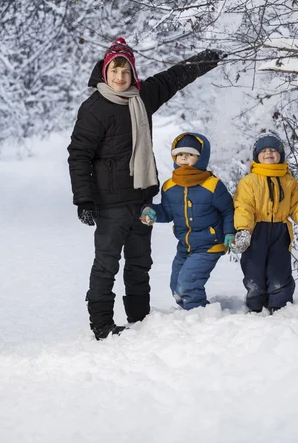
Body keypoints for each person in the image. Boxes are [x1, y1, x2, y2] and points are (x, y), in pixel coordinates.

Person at [67, 38, 226, 339]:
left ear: (133, 73)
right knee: (106, 265)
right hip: (110, 204)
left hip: (142, 202)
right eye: (115, 70)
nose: (120, 77)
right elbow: (79, 155)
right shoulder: (94, 109)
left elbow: (175, 76)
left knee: (140, 263)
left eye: (126, 71)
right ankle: (101, 325)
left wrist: (210, 56)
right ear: (105, 71)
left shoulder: (143, 96)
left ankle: (139, 321)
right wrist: (84, 199)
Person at [140, 133, 234, 310]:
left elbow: (228, 210)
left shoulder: (212, 185)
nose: (184, 157)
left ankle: (198, 315)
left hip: (210, 244)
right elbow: (167, 212)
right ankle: (189, 313)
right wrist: (151, 211)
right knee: (176, 286)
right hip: (185, 245)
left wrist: (229, 233)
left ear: (201, 157)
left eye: (190, 154)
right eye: (180, 154)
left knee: (188, 284)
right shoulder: (170, 186)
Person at [230, 132, 298, 314]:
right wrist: (244, 230)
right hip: (256, 231)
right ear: (257, 156)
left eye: (273, 150)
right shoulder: (249, 182)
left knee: (279, 270)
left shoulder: (289, 181)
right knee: (254, 271)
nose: (268, 153)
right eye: (264, 150)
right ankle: (256, 306)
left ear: (280, 155)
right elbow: (243, 207)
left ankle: (280, 307)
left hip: (280, 232)